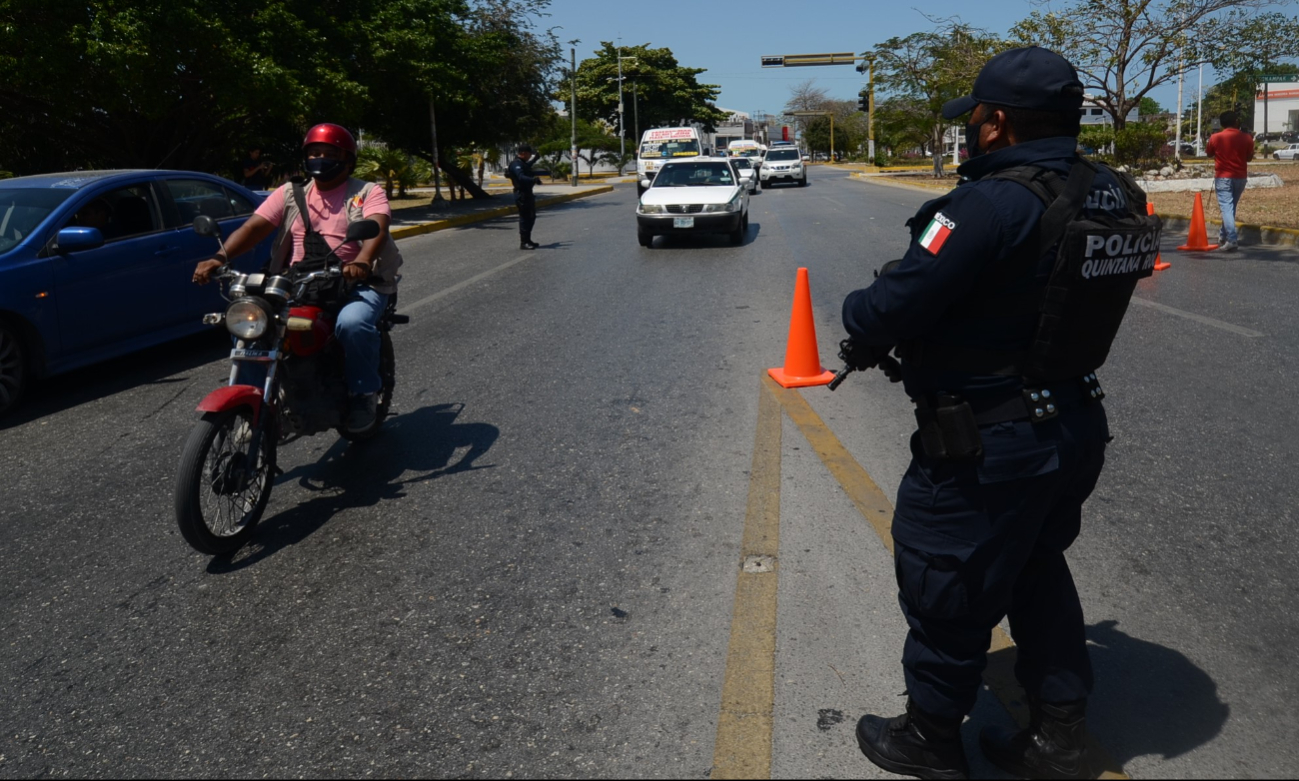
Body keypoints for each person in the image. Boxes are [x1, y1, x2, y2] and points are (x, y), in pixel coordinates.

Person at [842, 46, 1160, 780]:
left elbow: (887, 305)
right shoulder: (1115, 190)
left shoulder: (987, 203)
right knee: (1034, 568)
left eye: (976, 117)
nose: (971, 130)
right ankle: (1060, 735)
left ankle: (928, 737)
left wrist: (869, 308)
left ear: (996, 125)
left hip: (990, 442)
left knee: (944, 583)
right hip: (1073, 422)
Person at [194, 123, 404, 432]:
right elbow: (255, 227)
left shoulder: (366, 192)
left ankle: (363, 394)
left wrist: (361, 260)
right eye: (314, 152)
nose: (319, 158)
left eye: (329, 153)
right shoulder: (291, 193)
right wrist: (219, 256)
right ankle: (250, 402)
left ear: (347, 160)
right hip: (301, 280)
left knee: (353, 324)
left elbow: (377, 227)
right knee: (254, 321)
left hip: (359, 280)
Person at [1205, 110, 1254, 252]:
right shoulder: (1247, 138)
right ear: (1236, 122)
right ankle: (1223, 236)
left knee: (1226, 207)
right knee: (1230, 207)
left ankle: (1232, 239)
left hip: (1223, 177)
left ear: (1221, 124)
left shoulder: (1215, 137)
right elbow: (1249, 158)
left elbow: (1209, 154)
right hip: (1240, 177)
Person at [507, 143, 540, 250]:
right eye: (530, 154)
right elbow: (520, 176)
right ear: (524, 153)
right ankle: (524, 242)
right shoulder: (515, 164)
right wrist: (533, 180)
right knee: (525, 218)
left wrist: (535, 159)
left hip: (527, 193)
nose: (530, 156)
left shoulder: (522, 163)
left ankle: (528, 239)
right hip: (521, 194)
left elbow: (526, 167)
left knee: (531, 217)